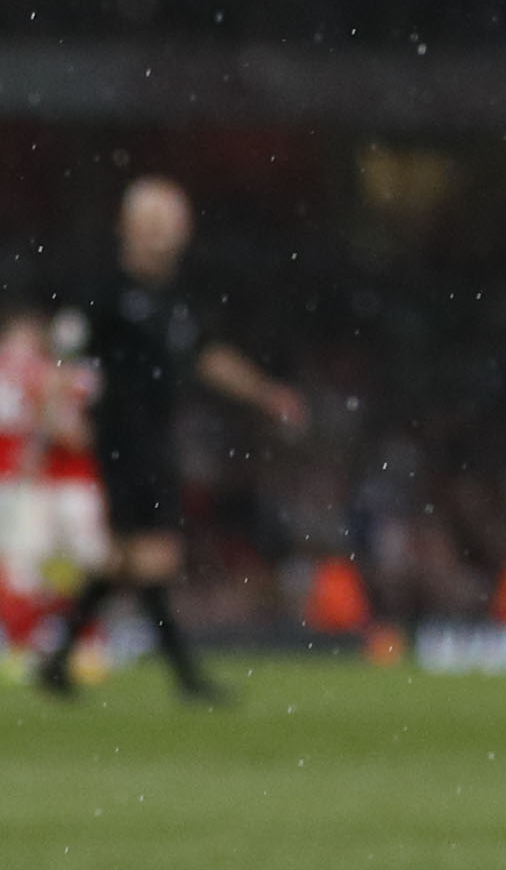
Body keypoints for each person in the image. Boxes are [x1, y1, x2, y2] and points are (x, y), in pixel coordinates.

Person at [29, 178, 309, 703]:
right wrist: (57, 419)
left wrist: (268, 394)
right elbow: (61, 358)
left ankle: (59, 662)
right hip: (120, 440)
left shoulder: (174, 301)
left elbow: (207, 357)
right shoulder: (106, 294)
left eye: (169, 222)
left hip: (155, 438)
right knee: (153, 556)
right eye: (151, 221)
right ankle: (186, 678)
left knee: (122, 560)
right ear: (127, 228)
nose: (160, 233)